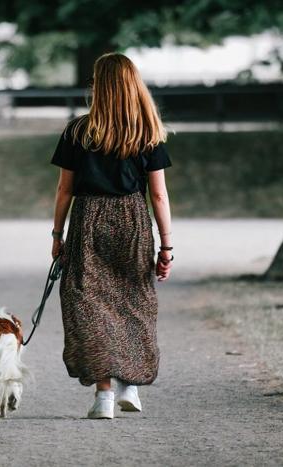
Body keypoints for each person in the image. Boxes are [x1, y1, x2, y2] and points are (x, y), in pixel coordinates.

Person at [50, 52, 173, 419]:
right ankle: (130, 387)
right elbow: (159, 195)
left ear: (98, 86)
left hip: (88, 219)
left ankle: (104, 395)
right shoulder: (148, 132)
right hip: (132, 219)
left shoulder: (78, 131)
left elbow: (63, 190)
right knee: (134, 300)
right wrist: (166, 246)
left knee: (86, 302)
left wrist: (57, 234)